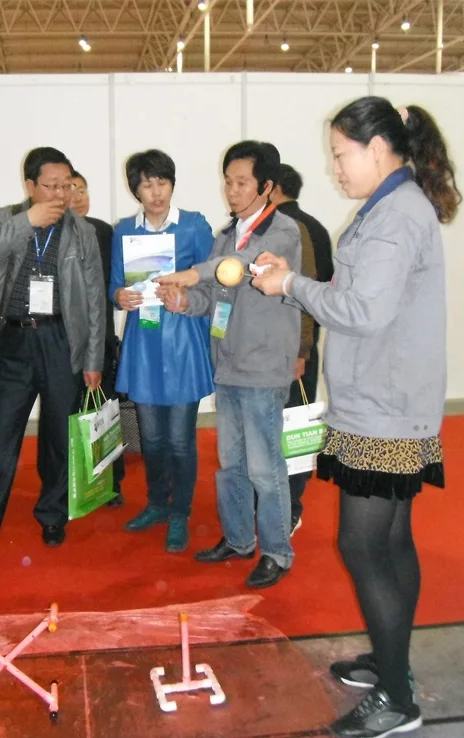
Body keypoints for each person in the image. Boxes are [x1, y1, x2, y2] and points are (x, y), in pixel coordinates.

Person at [252, 96, 461, 738]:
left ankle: (396, 695)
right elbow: (364, 296)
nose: (336, 167)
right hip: (385, 402)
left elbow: (363, 311)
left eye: (342, 155)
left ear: (377, 149)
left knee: (364, 545)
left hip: (383, 410)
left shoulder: (397, 214)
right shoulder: (393, 206)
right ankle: (391, 660)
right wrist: (295, 280)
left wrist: (290, 286)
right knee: (390, 543)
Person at [156, 141, 302, 588]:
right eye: (228, 182)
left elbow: (240, 267)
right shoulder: (225, 234)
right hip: (229, 365)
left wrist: (192, 273)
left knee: (264, 467)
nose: (232, 191)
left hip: (263, 367)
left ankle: (277, 551)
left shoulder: (282, 232)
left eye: (242, 183)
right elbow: (213, 297)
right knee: (231, 464)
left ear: (266, 187)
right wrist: (184, 302)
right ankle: (239, 539)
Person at [0, 146, 105, 548]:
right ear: (30, 185)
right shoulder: (5, 218)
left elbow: (94, 298)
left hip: (61, 339)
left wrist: (93, 357)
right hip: (15, 340)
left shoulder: (81, 231)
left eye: (67, 185)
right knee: (1, 433)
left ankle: (52, 513)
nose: (61, 194)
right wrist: (27, 221)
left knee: (58, 435)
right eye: (51, 186)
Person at [109, 150, 215, 553]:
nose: (155, 192)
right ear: (135, 189)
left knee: (180, 440)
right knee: (151, 438)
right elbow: (115, 284)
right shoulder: (124, 230)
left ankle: (180, 513)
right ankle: (157, 503)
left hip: (183, 340)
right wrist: (119, 295)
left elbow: (211, 282)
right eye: (146, 184)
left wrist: (185, 295)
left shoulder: (193, 225)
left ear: (172, 184)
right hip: (144, 341)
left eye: (162, 183)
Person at [270, 163, 334, 533]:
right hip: (303, 345)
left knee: (288, 424)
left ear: (272, 188)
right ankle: (287, 500)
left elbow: (307, 290)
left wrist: (300, 350)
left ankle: (290, 507)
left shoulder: (291, 228)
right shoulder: (317, 227)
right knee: (292, 424)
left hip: (294, 346)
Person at [69, 169, 126, 507]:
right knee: (70, 412)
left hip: (100, 338)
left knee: (105, 413)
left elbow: (119, 281)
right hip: (64, 342)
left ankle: (111, 483)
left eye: (83, 190)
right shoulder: (52, 234)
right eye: (71, 190)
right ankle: (74, 480)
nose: (78, 197)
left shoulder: (105, 232)